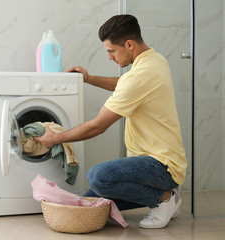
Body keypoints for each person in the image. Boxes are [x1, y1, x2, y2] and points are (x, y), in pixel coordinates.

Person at [34, 14, 187, 229]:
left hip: (161, 166)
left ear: (129, 44)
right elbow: (125, 83)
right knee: (91, 204)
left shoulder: (140, 76)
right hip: (161, 162)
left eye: (111, 51)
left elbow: (98, 125)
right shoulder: (154, 60)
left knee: (99, 177)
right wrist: (88, 78)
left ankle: (162, 199)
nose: (109, 57)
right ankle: (167, 196)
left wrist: (55, 138)